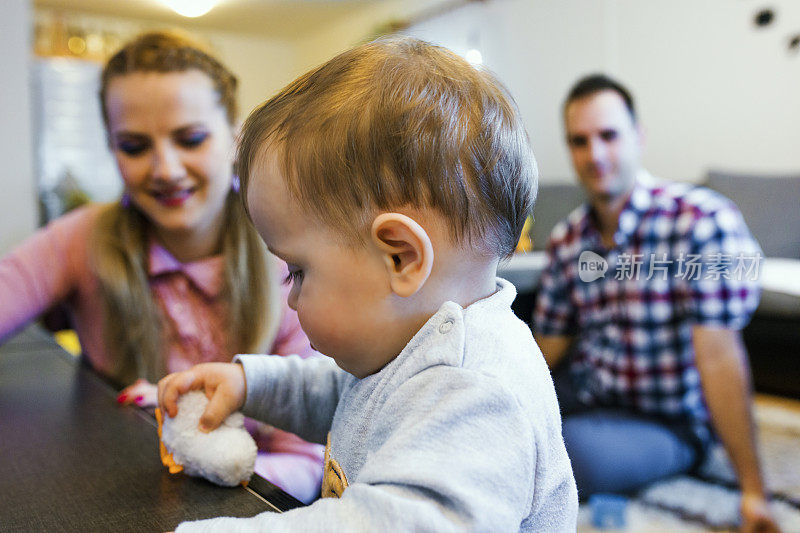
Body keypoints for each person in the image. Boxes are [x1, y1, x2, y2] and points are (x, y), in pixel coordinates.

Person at [157, 37, 578, 531]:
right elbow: (348, 394)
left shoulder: (475, 394)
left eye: (297, 270)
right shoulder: (413, 349)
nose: (290, 298)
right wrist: (251, 383)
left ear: (399, 256)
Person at [0, 31, 322, 504]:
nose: (166, 168)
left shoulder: (286, 257)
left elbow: (304, 460)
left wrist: (205, 473)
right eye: (133, 146)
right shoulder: (80, 238)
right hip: (110, 497)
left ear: (235, 135)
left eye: (189, 138)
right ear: (112, 149)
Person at [534, 74, 779, 531]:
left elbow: (721, 357)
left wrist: (753, 490)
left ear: (638, 137)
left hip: (667, 420)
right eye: (580, 141)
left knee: (559, 455)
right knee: (500, 415)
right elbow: (546, 349)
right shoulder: (568, 239)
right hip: (588, 390)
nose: (596, 155)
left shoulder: (702, 223)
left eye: (609, 136)